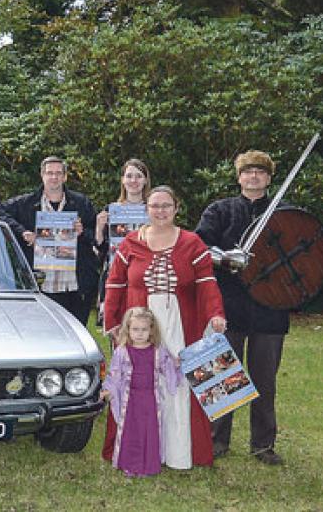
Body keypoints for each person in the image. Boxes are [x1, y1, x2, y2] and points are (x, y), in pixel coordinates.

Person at [103, 185, 226, 469]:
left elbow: (207, 284)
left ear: (176, 208)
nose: (160, 211)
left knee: (179, 383)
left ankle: (179, 453)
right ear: (146, 209)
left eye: (166, 206)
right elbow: (115, 283)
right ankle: (141, 449)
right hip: (140, 326)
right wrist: (111, 321)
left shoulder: (192, 243)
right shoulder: (130, 243)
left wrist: (216, 315)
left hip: (182, 324)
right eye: (155, 206)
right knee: (140, 383)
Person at [195, 150, 288, 466]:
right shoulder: (220, 210)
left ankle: (263, 445)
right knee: (221, 376)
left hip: (270, 309)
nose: (253, 177)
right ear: (239, 177)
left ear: (268, 178)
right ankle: (216, 440)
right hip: (227, 305)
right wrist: (224, 258)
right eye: (248, 171)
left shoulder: (284, 215)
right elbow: (198, 248)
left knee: (265, 382)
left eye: (260, 172)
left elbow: (300, 260)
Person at [0, 156, 99, 325]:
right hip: (43, 283)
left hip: (75, 284)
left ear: (65, 176)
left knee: (77, 334)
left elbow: (97, 237)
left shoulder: (80, 202)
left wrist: (82, 232)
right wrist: (23, 232)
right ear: (42, 175)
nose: (54, 177)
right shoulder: (27, 202)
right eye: (49, 173)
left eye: (58, 173)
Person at [101, 307, 181, 477]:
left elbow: (167, 368)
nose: (139, 334)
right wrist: (108, 389)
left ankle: (149, 465)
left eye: (144, 330)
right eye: (135, 329)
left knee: (149, 431)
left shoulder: (158, 351)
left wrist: (176, 365)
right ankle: (130, 464)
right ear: (128, 330)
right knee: (131, 432)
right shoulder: (121, 352)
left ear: (151, 330)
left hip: (151, 399)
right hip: (130, 400)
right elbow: (115, 373)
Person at [95, 158, 151, 333]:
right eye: (129, 176)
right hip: (116, 279)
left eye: (139, 176)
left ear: (145, 180)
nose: (134, 181)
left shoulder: (155, 209)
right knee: (117, 332)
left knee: (147, 332)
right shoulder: (111, 210)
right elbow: (100, 250)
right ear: (122, 180)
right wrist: (99, 227)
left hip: (146, 279)